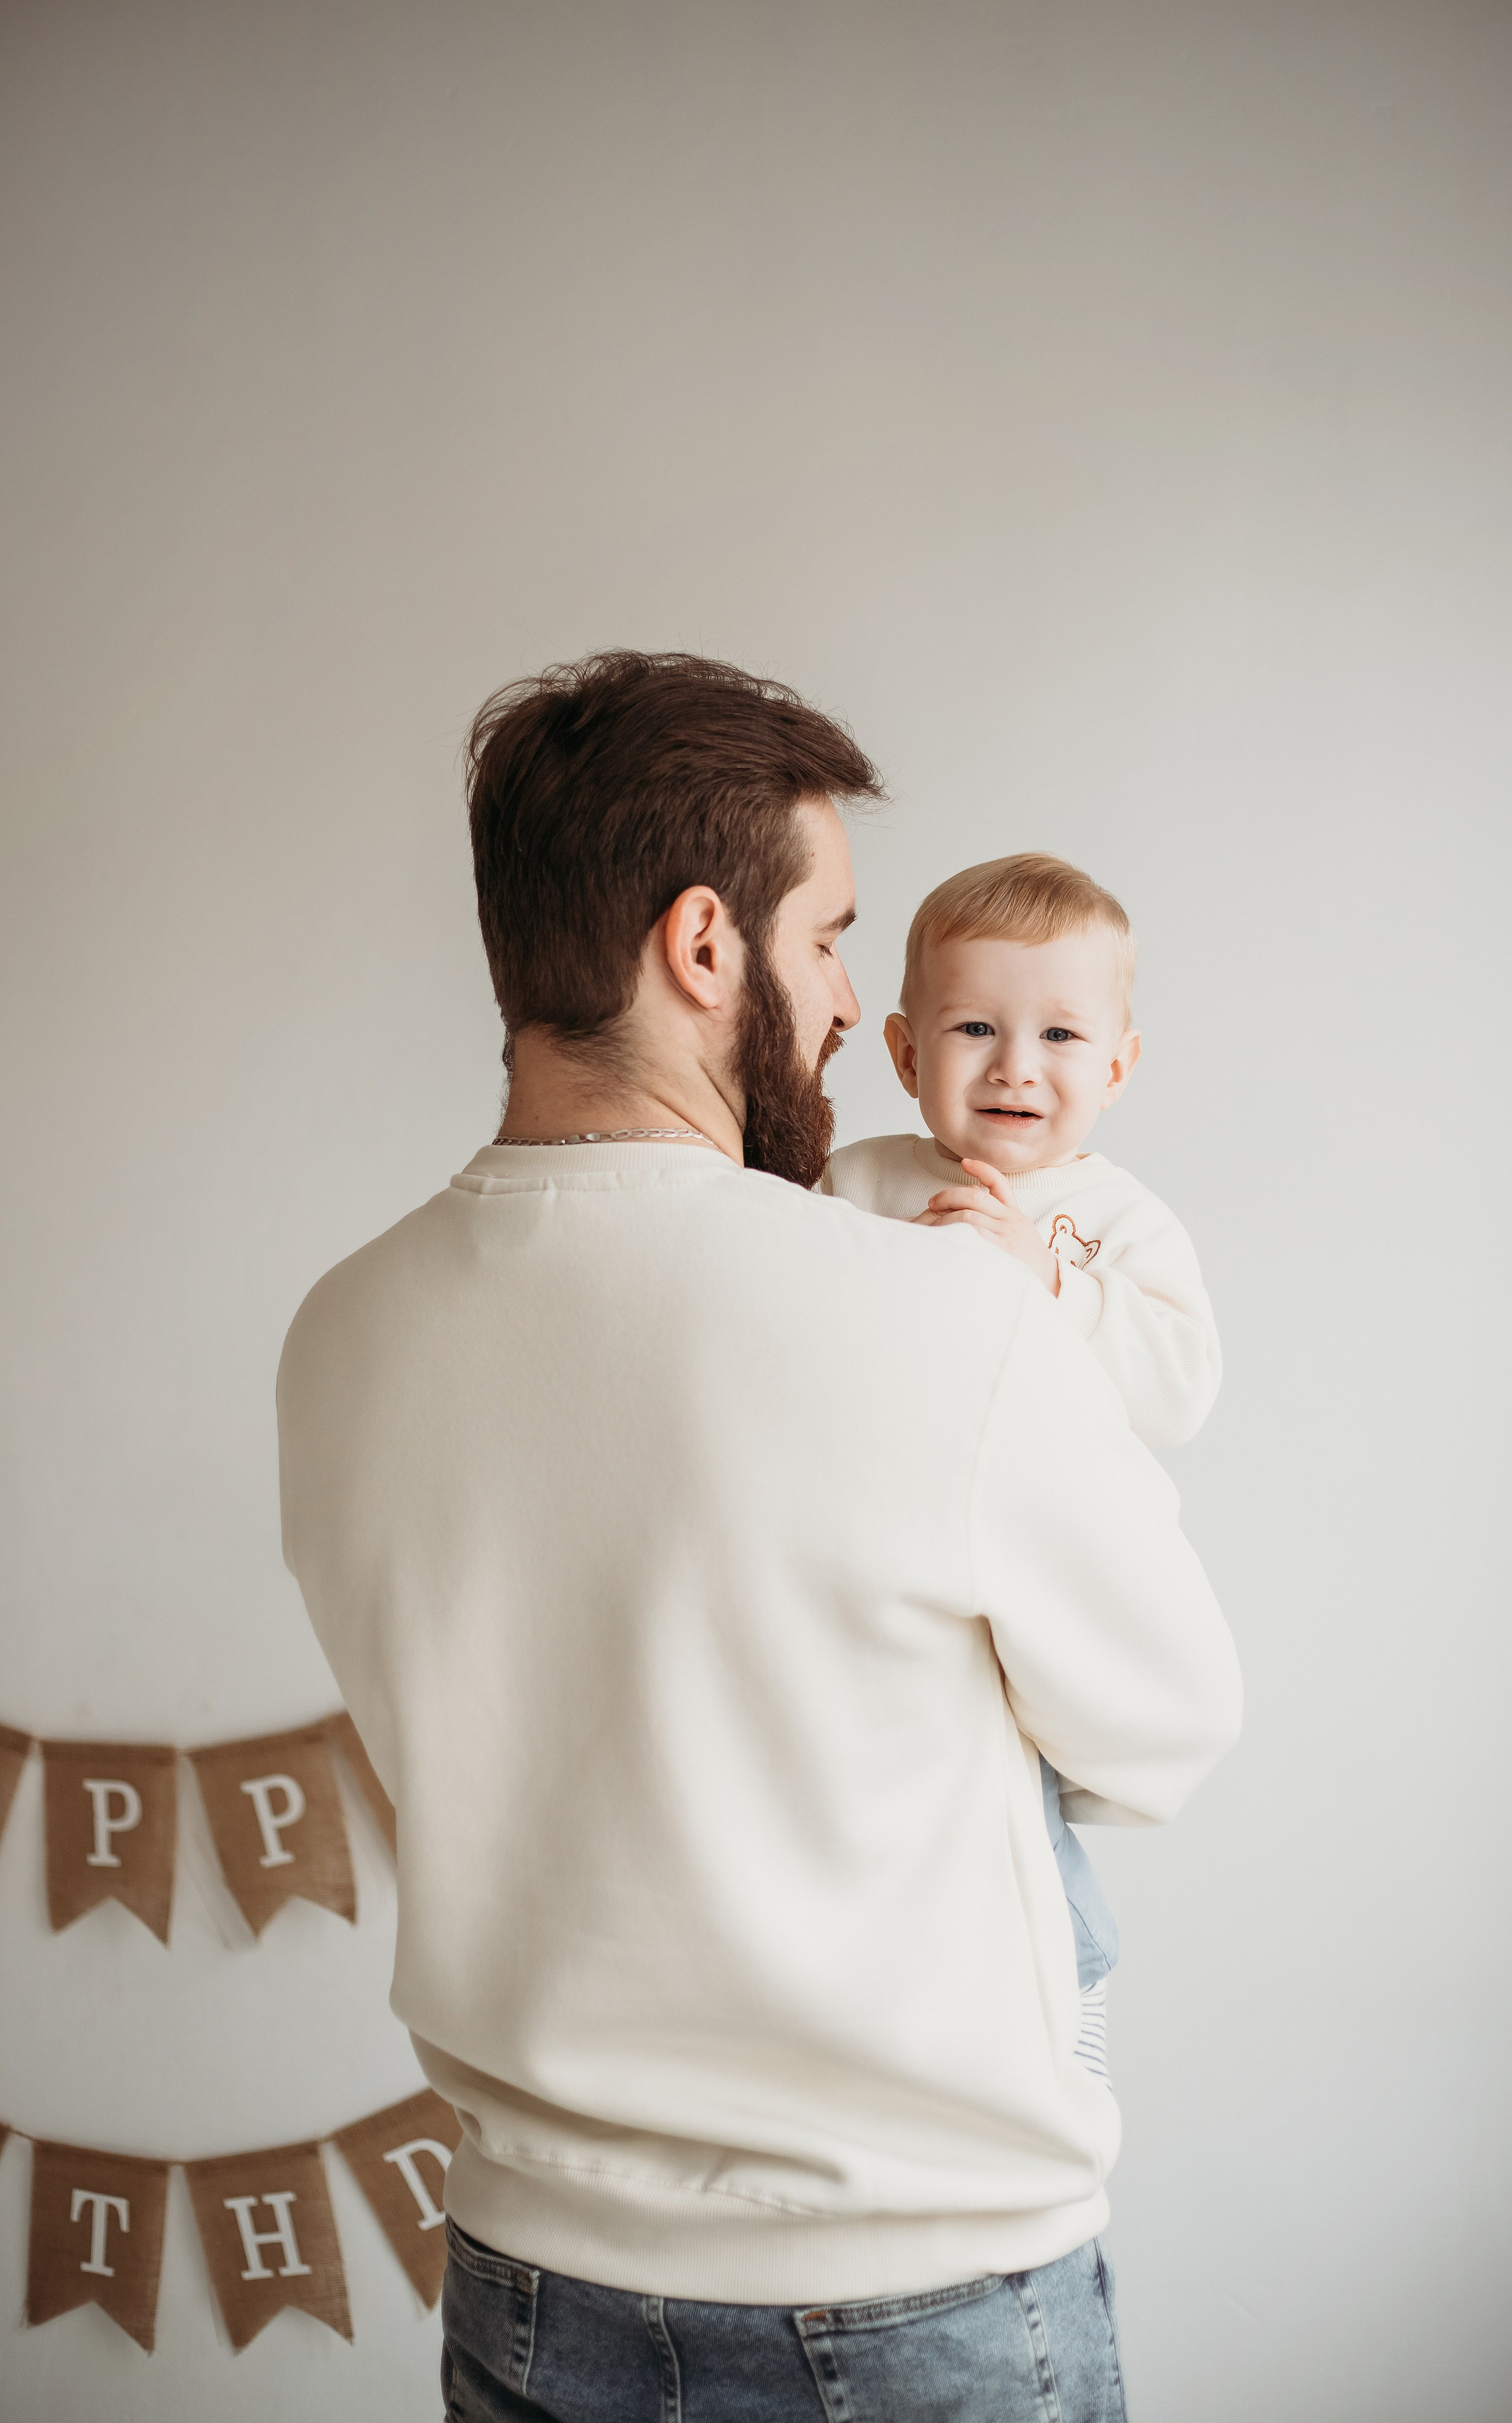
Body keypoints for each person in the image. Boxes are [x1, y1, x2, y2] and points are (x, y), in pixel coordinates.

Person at [276, 652, 1242, 2422]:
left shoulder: (339, 1334)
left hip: (524, 2288)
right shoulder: (939, 1311)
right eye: (830, 942)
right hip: (911, 2293)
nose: (853, 1005)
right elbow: (1164, 1736)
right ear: (705, 948)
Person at [823, 852, 1221, 2098]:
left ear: (1116, 1065)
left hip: (1035, 1584)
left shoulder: (1113, 1224)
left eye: (1057, 1033)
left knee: (1018, 1829)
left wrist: (1044, 1279)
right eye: (973, 1028)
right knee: (880, 1812)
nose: (1012, 1065)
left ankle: (1065, 2046)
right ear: (901, 1051)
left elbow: (1174, 1385)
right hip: (874, 1579)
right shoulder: (857, 1186)